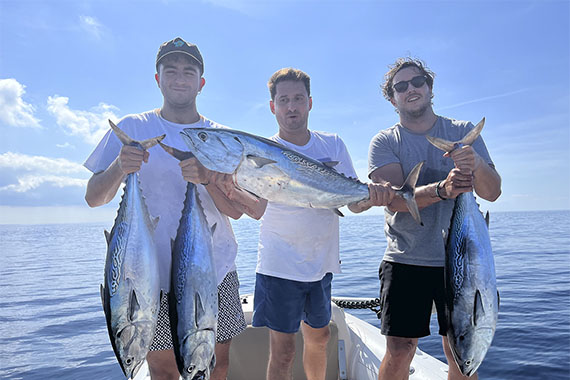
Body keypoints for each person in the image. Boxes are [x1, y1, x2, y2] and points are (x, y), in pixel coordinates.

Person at [84, 37, 263, 380]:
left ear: (201, 82)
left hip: (214, 268)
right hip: (146, 274)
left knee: (216, 363)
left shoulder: (218, 135)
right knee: (164, 371)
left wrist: (209, 177)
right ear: (157, 78)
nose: (180, 78)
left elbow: (239, 210)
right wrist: (120, 167)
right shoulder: (133, 128)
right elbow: (94, 197)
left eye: (188, 71)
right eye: (171, 70)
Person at [364, 57, 502, 380]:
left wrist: (475, 163)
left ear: (430, 87)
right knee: (400, 350)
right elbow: (396, 200)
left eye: (417, 82)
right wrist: (442, 189)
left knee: (460, 351)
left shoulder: (462, 132)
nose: (410, 89)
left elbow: (493, 192)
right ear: (392, 97)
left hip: (462, 262)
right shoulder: (385, 142)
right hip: (405, 258)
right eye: (401, 86)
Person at [251, 68, 392, 380]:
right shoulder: (262, 152)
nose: (292, 107)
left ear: (310, 103)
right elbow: (256, 207)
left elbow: (353, 202)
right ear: (273, 106)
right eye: (284, 100)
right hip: (278, 265)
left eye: (298, 99)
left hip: (320, 263)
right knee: (284, 351)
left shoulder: (332, 145)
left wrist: (374, 196)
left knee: (320, 338)